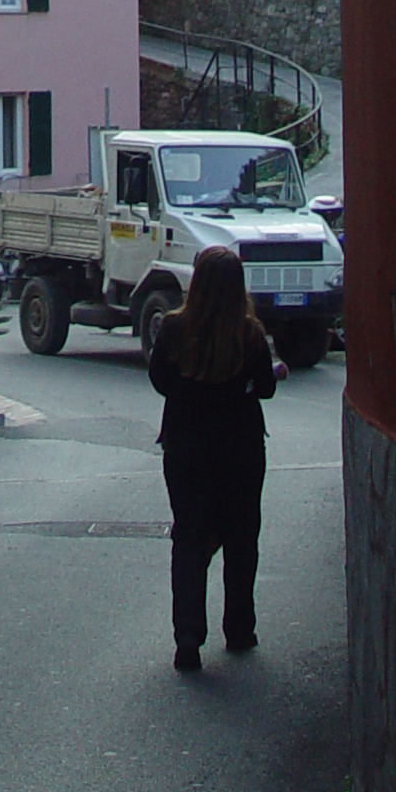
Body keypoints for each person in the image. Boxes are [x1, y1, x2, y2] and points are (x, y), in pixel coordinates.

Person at [147, 245, 282, 671]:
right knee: (242, 538)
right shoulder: (250, 334)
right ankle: (239, 628)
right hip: (240, 449)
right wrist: (270, 371)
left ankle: (188, 635)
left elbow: (160, 381)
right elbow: (265, 388)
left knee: (189, 536)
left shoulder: (172, 329)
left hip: (186, 447)